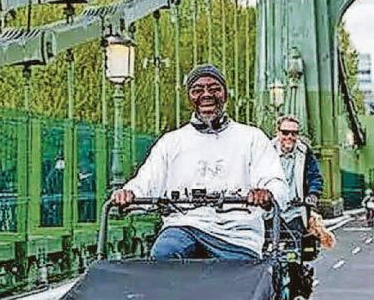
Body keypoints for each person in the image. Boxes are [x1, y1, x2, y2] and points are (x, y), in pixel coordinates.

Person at [112, 64, 289, 260]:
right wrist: (129, 194)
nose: (206, 95)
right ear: (189, 98)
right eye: (197, 90)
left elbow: (275, 181)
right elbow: (147, 181)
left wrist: (266, 193)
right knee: (163, 254)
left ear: (225, 94)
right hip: (184, 225)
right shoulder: (171, 142)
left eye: (214, 89)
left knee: (241, 281)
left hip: (237, 234)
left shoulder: (252, 138)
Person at [271, 115, 323, 236]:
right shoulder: (266, 150)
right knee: (265, 250)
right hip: (270, 211)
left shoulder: (305, 151)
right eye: (285, 132)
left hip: (295, 212)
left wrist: (313, 194)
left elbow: (315, 176)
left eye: (294, 133)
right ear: (277, 133)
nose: (289, 137)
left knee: (295, 249)